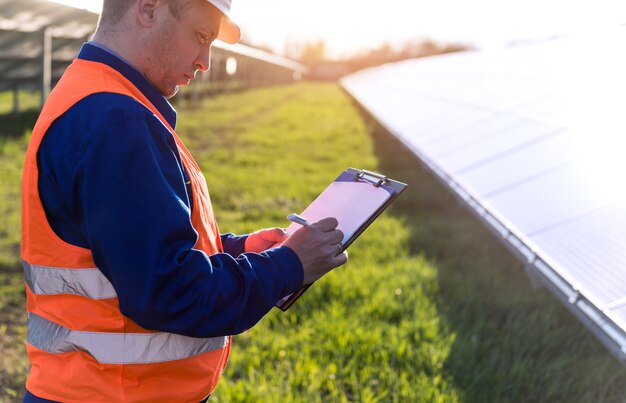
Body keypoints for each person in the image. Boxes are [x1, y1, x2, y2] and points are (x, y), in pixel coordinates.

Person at [21, 0, 347, 401]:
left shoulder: (97, 100)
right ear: (149, 8)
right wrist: (287, 266)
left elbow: (131, 250)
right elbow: (170, 290)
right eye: (201, 37)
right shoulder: (118, 124)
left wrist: (240, 249)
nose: (205, 61)